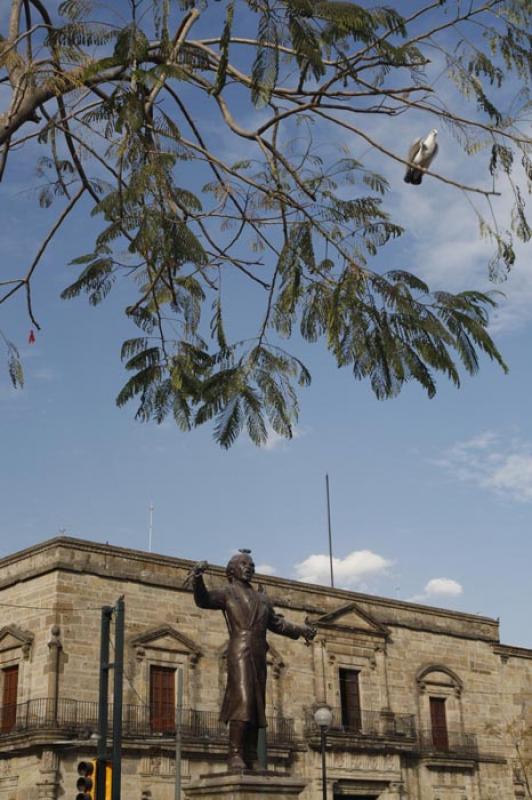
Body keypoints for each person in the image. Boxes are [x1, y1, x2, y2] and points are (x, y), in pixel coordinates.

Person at [191, 551, 316, 770]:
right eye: (244, 564)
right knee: (243, 700)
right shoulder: (228, 593)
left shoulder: (262, 599)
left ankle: (250, 753)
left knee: (257, 705)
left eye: (252, 564)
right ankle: (235, 753)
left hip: (259, 653)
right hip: (240, 649)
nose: (249, 567)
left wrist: (302, 629)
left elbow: (278, 624)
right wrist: (197, 578)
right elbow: (204, 600)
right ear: (232, 570)